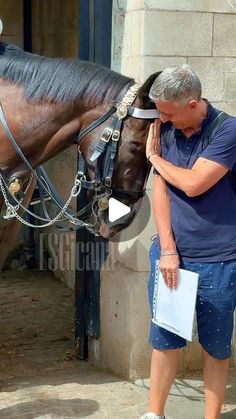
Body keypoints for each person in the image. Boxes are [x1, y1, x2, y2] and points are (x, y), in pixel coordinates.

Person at [141, 64, 236, 419]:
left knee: (215, 344)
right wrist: (167, 249)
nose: (161, 119)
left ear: (193, 104)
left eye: (167, 112)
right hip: (172, 256)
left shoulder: (228, 131)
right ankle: (156, 414)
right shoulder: (167, 130)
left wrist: (153, 158)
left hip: (219, 259)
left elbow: (195, 183)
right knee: (164, 337)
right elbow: (161, 189)